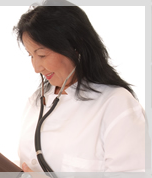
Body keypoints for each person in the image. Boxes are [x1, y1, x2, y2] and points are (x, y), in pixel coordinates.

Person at [13, 0, 146, 175]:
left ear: (76, 47)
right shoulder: (37, 100)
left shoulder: (116, 105)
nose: (36, 68)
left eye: (42, 55)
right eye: (31, 56)